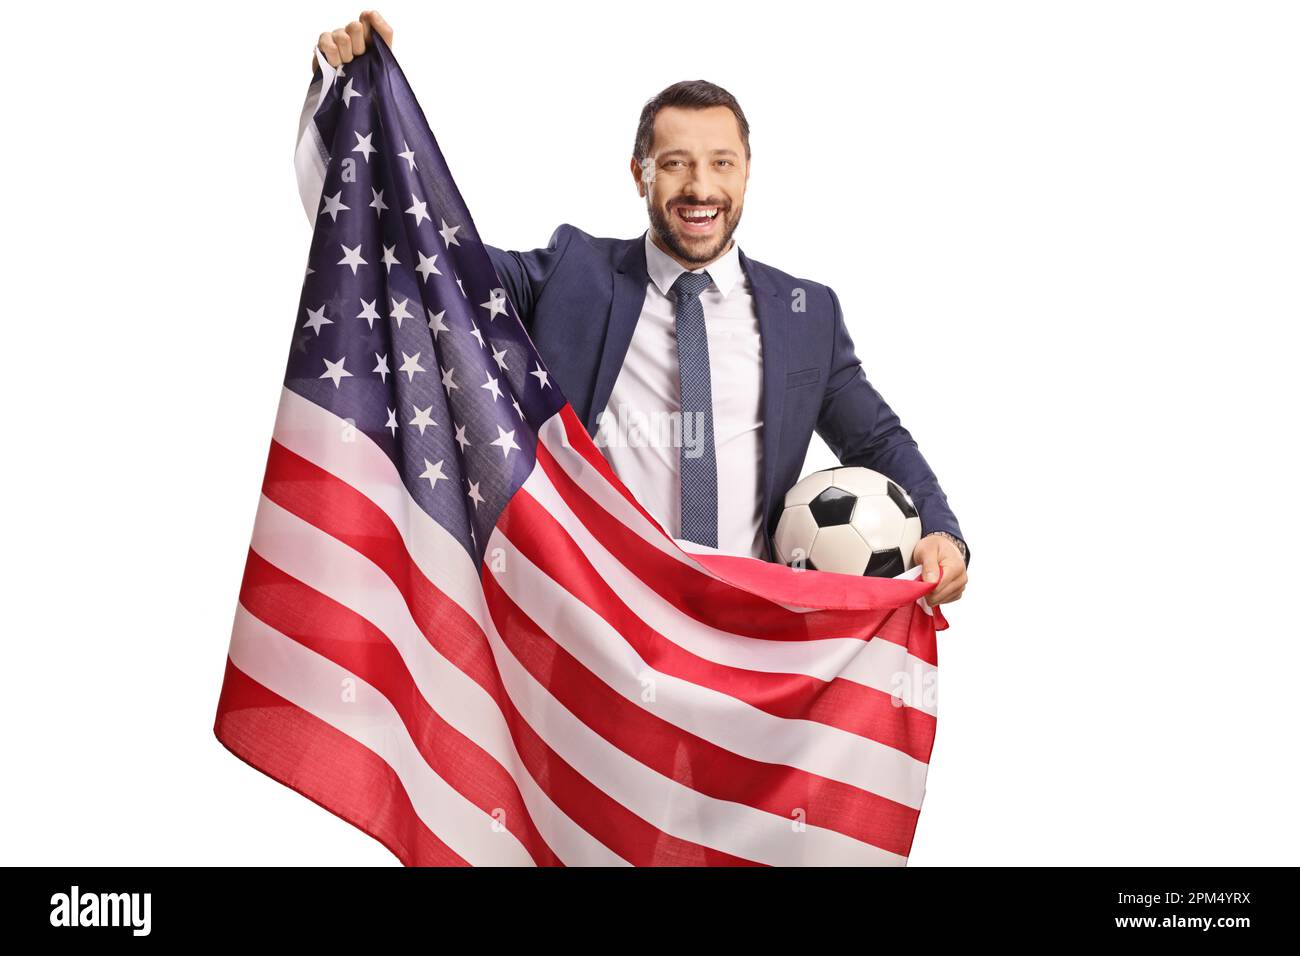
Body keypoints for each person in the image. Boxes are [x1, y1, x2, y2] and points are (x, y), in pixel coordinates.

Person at [310, 12, 969, 606]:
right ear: (640, 174)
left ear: (746, 171)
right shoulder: (572, 274)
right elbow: (420, 256)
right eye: (675, 164)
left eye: (721, 163)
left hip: (745, 629)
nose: (701, 188)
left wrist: (942, 532)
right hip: (598, 624)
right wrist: (350, 105)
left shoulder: (806, 315)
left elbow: (875, 440)